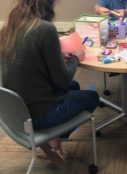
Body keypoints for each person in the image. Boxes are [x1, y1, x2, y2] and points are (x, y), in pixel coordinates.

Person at [0, 0, 99, 160]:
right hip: (38, 116)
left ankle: (54, 141)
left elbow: (31, 64)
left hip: (15, 113)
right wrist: (76, 58)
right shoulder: (45, 29)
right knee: (92, 97)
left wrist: (57, 57)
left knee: (75, 86)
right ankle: (55, 138)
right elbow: (63, 80)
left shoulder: (11, 26)